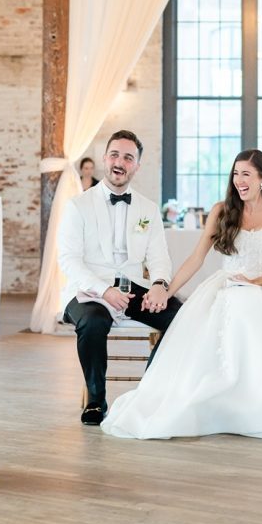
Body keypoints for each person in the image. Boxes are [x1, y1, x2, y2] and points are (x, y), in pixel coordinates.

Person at [101, 149, 262, 440]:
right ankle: (219, 398)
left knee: (255, 305)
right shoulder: (222, 210)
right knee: (235, 304)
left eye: (246, 174)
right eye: (235, 173)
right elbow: (196, 258)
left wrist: (257, 283)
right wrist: (167, 291)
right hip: (226, 286)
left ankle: (259, 401)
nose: (239, 180)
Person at [58, 129, 180, 425]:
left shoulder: (148, 209)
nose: (119, 162)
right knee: (93, 320)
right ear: (104, 159)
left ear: (136, 165)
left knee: (182, 317)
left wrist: (160, 285)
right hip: (86, 290)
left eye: (128, 157)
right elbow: (69, 260)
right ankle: (96, 403)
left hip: (132, 288)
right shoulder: (78, 206)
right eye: (114, 154)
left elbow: (159, 258)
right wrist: (103, 290)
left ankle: (148, 392)